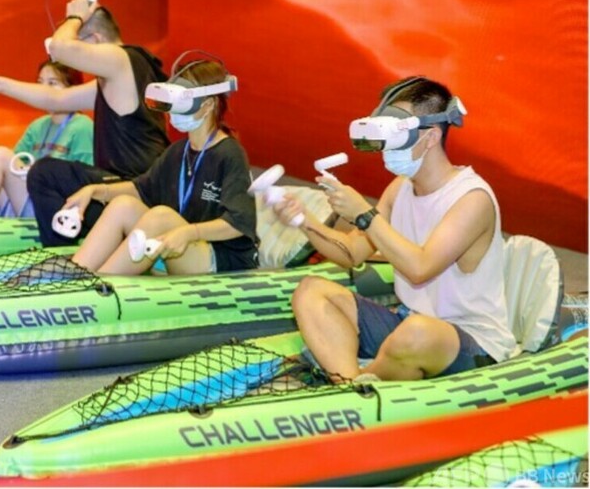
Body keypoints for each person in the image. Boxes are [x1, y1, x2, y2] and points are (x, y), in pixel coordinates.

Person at [273, 76, 516, 381]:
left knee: (416, 333)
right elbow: (352, 253)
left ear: (430, 136)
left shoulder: (472, 198)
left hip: (470, 341)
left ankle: (358, 385)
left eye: (396, 133)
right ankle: (351, 383)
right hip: (408, 322)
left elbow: (420, 268)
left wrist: (364, 214)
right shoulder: (400, 187)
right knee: (310, 290)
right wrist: (304, 220)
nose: (387, 147)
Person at [0, 0, 169, 244]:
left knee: (45, 172)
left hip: (135, 188)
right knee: (53, 173)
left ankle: (58, 252)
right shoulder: (121, 75)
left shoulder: (121, 59)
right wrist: (1, 85)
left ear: (95, 40)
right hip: (126, 185)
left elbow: (61, 48)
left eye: (80, 42)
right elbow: (56, 99)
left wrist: (75, 17)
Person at [68, 58, 258, 275]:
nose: (172, 110)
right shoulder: (178, 151)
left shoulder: (230, 154)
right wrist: (94, 190)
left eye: (182, 100)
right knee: (123, 205)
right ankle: (75, 275)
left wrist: (189, 233)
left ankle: (99, 285)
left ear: (208, 105)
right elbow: (140, 189)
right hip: (180, 247)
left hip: (219, 259)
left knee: (161, 216)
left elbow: (238, 223)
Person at [0, 60, 93, 218]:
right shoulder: (38, 126)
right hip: (28, 196)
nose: (43, 90)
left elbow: (88, 178)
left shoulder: (82, 127)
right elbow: (12, 165)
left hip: (54, 207)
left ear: (73, 89)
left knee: (0, 155)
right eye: (40, 83)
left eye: (52, 83)